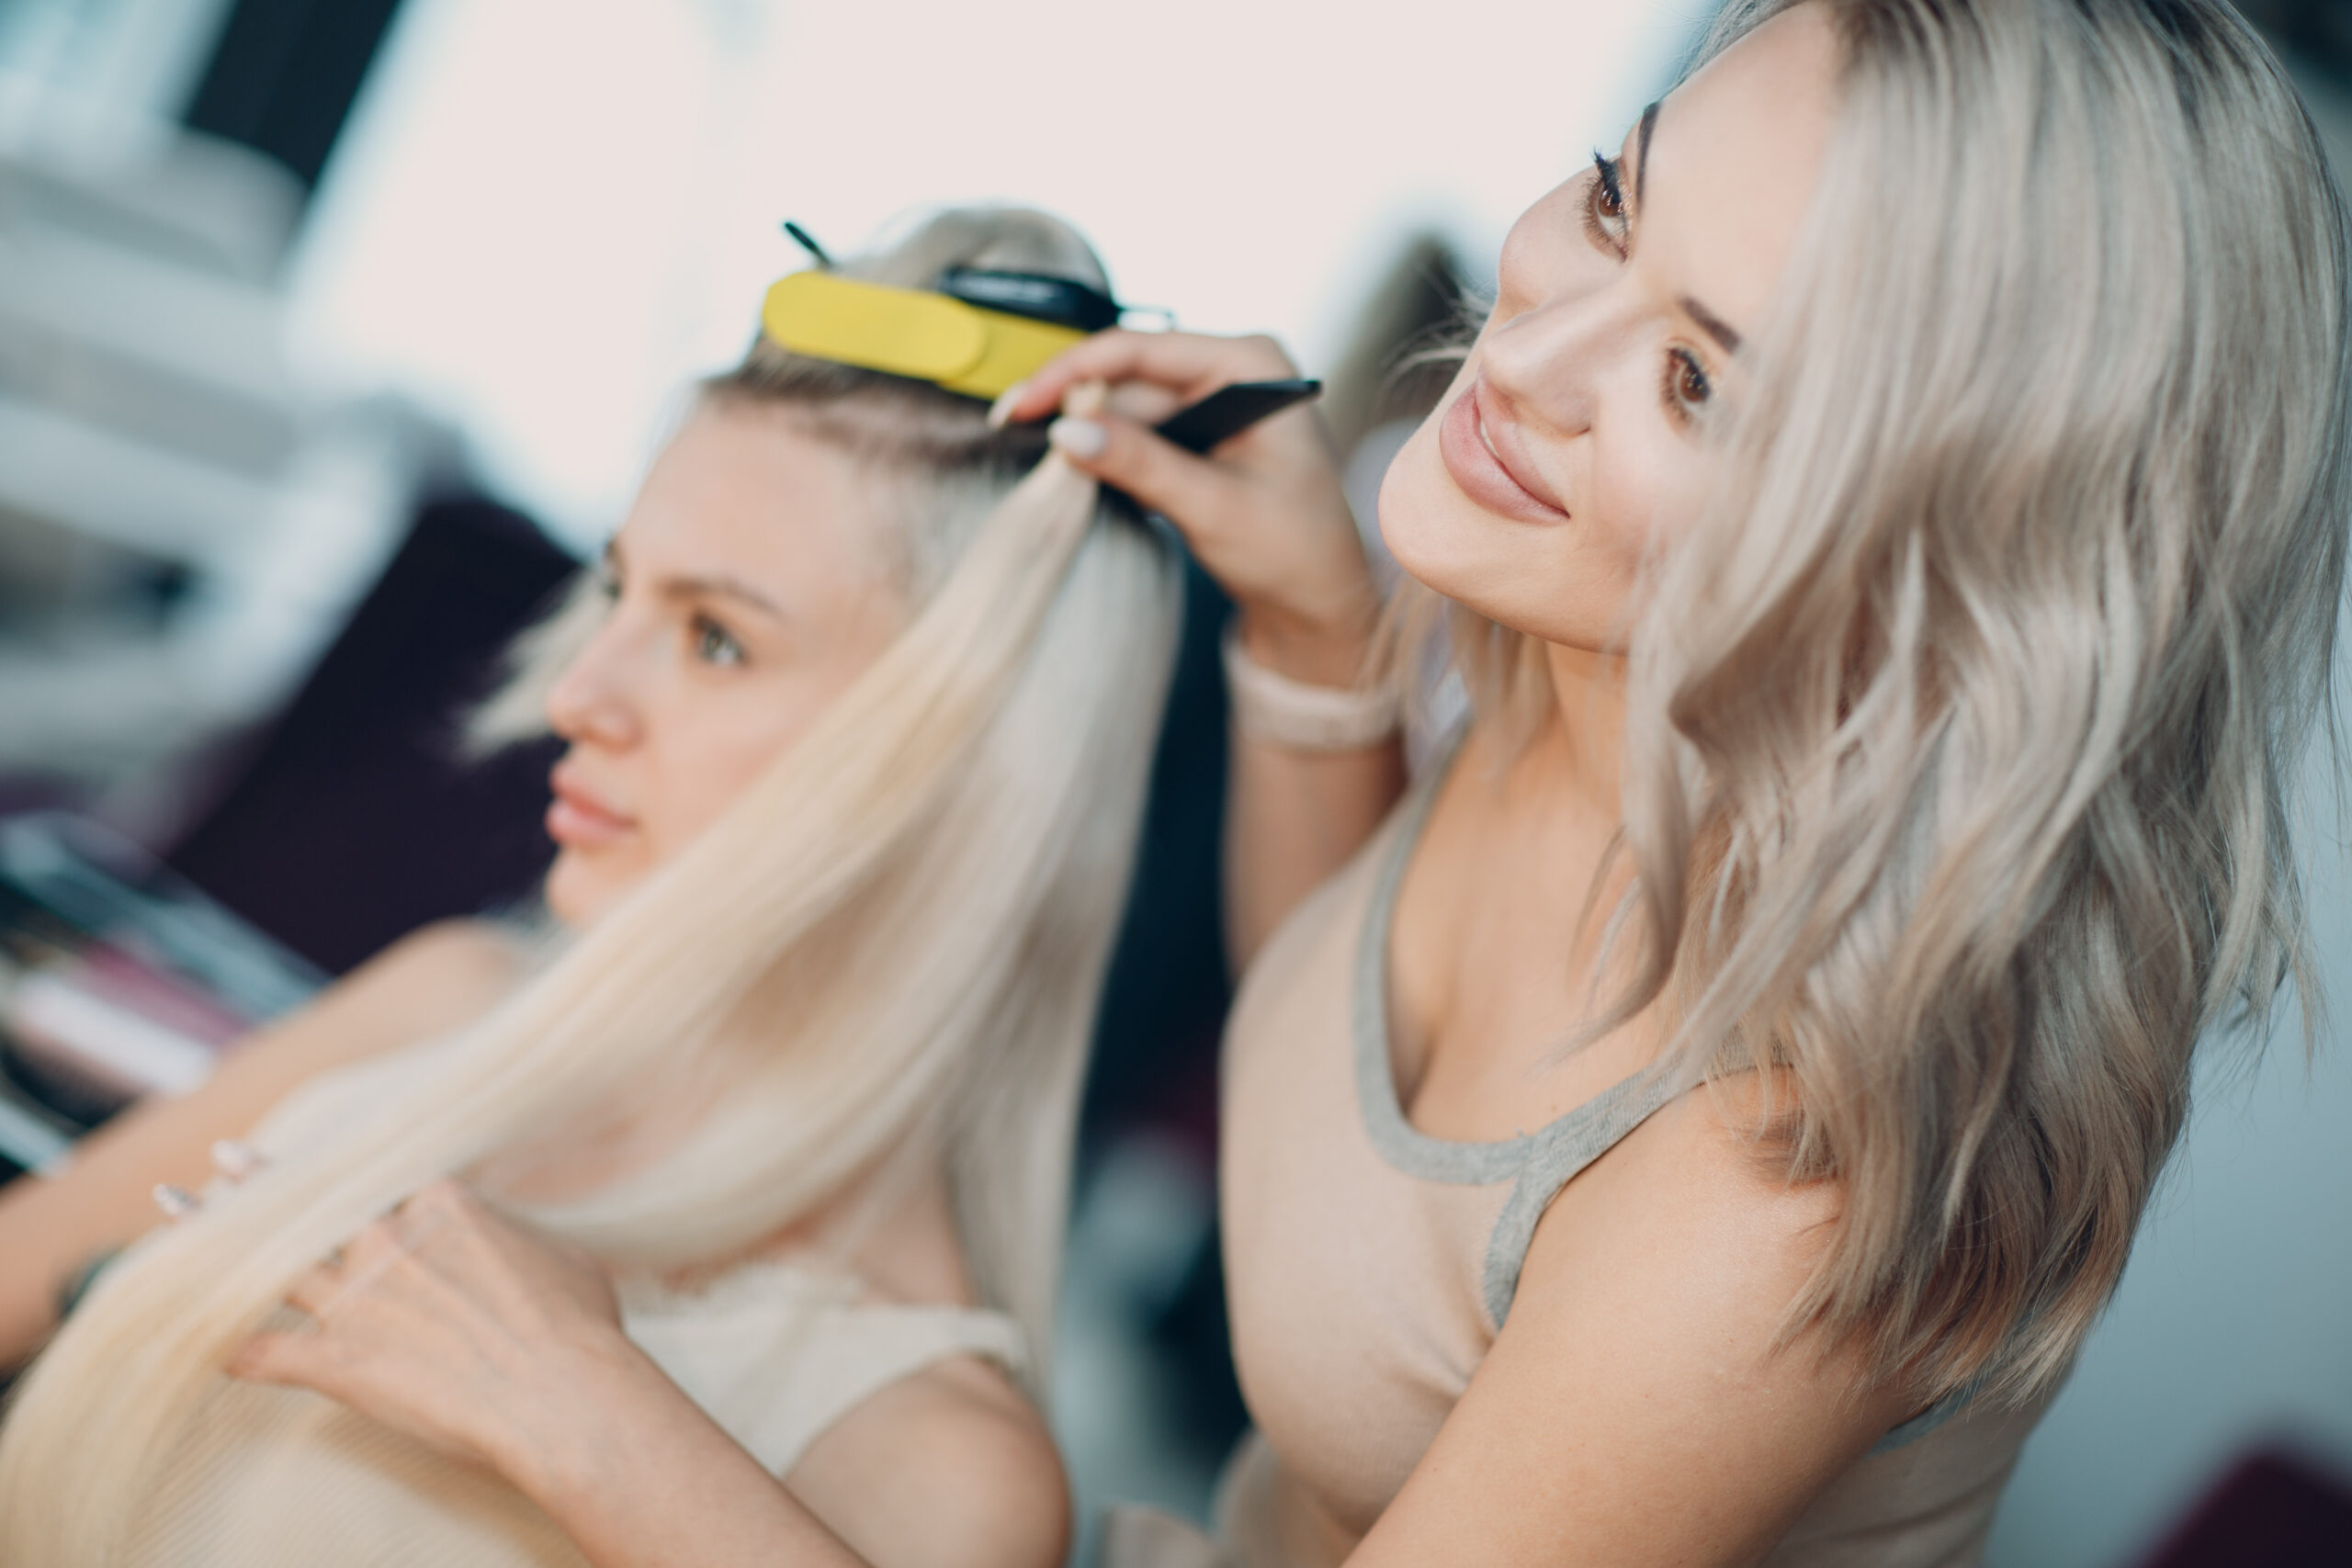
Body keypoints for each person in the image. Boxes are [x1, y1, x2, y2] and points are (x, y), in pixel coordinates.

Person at [997, 0, 2351, 1562]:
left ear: (1929, 580)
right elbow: (1338, 1115)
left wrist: (629, 1406)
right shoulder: (1595, 668)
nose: (1526, 351)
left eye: (1699, 381)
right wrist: (1314, 631)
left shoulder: (1790, 1173)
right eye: (1614, 199)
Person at [0, 207, 1182, 1568]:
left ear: (953, 772)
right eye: (618, 593)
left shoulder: (931, 1462)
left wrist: (593, 1423)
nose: (578, 693)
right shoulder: (449, 1005)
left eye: (716, 640)